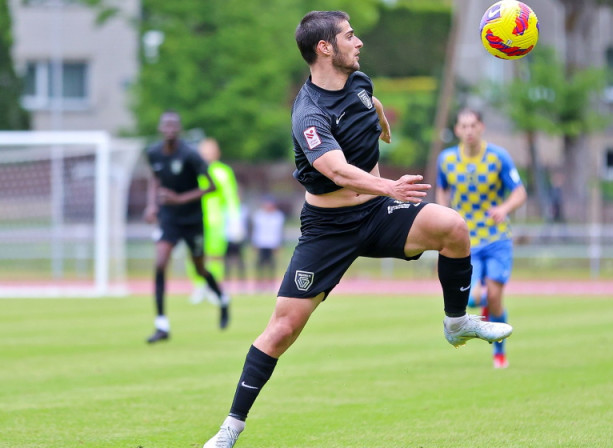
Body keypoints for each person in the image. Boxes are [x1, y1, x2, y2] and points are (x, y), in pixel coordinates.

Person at [202, 11, 513, 447]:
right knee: (283, 330)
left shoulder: (360, 82)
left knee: (453, 228)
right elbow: (336, 169)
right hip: (328, 228)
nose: (359, 41)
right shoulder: (308, 114)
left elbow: (373, 104)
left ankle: (456, 322)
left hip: (378, 214)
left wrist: (382, 126)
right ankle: (230, 429)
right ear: (324, 48)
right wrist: (389, 184)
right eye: (350, 35)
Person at [435, 108, 528, 369]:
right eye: (463, 126)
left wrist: (504, 209)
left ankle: (499, 352)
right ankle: (481, 310)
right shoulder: (446, 159)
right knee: (473, 298)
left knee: (496, 297)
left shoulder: (499, 157)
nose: (469, 131)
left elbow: (519, 192)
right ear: (457, 130)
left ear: (481, 127)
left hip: (497, 237)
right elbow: (441, 189)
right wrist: (445, 214)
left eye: (473, 125)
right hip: (465, 239)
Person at [143, 111, 230, 343]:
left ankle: (222, 299)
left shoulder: (191, 155)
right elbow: (155, 178)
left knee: (200, 269)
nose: (170, 129)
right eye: (166, 125)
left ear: (179, 129)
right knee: (160, 263)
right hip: (169, 217)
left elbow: (212, 187)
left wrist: (180, 199)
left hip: (192, 220)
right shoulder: (153, 153)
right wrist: (152, 206)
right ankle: (161, 324)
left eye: (174, 125)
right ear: (161, 128)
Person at [187, 138, 242, 318]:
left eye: (210, 150)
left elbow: (231, 197)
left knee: (215, 255)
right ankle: (199, 285)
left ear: (217, 152)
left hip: (216, 220)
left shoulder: (223, 171)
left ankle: (214, 287)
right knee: (195, 254)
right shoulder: (194, 169)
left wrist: (235, 220)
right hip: (195, 219)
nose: (207, 153)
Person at [249, 194, 285, 292]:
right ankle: (259, 284)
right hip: (261, 243)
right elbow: (256, 230)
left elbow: (279, 232)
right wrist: (254, 243)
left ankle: (270, 284)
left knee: (271, 265)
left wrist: (278, 245)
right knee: (260, 265)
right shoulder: (259, 215)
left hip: (272, 243)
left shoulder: (278, 216)